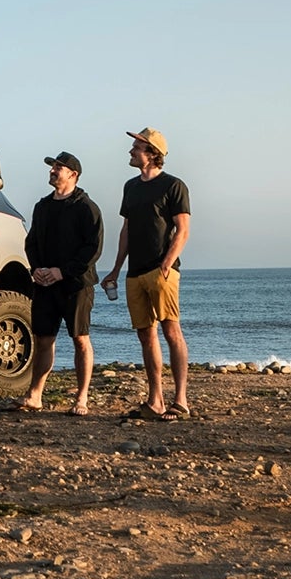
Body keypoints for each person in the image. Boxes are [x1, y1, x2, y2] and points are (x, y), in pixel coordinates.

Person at [100, 127, 192, 419]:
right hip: (134, 273)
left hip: (162, 271)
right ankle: (156, 401)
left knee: (171, 330)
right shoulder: (130, 187)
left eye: (136, 147)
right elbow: (126, 230)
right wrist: (115, 268)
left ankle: (180, 401)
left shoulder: (173, 186)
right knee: (145, 335)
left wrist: (167, 264)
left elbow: (183, 229)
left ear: (152, 153)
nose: (130, 151)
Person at [22, 151, 104, 416]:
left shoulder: (86, 207)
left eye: (59, 167)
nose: (53, 170)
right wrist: (37, 269)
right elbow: (31, 242)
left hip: (76, 284)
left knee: (80, 339)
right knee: (43, 338)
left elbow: (93, 249)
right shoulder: (42, 206)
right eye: (52, 166)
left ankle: (81, 398)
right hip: (45, 284)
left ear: (73, 174)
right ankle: (35, 396)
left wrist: (63, 272)